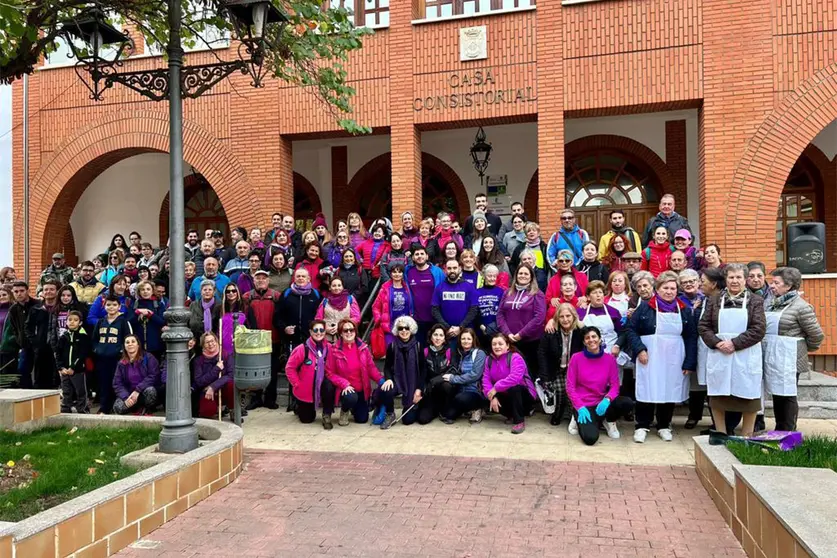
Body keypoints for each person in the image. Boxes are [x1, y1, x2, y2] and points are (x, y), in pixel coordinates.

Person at [627, 271, 698, 443]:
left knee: (669, 389)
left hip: (674, 357)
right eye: (665, 288)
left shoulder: (684, 310)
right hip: (650, 356)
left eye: (673, 288)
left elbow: (690, 336)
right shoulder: (645, 307)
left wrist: (689, 361)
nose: (669, 291)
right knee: (647, 388)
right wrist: (640, 350)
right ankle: (642, 425)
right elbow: (631, 330)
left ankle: (664, 425)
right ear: (657, 289)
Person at [699, 263, 766, 437]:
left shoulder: (755, 301)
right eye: (731, 277)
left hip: (745, 353)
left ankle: (746, 435)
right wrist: (717, 343)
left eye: (738, 277)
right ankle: (720, 433)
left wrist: (734, 343)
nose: (734, 281)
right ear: (726, 279)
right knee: (718, 396)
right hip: (719, 353)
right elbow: (704, 326)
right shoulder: (714, 300)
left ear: (745, 280)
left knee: (748, 395)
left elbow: (758, 329)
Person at [763, 267, 824, 431]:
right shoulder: (772, 303)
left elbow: (816, 335)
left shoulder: (801, 307)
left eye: (776, 282)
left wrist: (801, 350)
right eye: (772, 282)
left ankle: (789, 432)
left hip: (789, 357)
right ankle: (778, 429)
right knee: (777, 394)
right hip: (774, 355)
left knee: (787, 394)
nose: (772, 286)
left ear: (788, 286)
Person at [567, 326, 636, 444]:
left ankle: (609, 420)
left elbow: (615, 386)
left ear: (600, 339)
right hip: (584, 405)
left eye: (594, 336)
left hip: (601, 402)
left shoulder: (609, 359)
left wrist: (607, 399)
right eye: (587, 338)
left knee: (627, 402)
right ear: (584, 342)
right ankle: (577, 417)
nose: (591, 340)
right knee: (590, 439)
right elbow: (570, 387)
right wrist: (580, 406)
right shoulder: (576, 358)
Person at [325, 319, 395, 427]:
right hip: (346, 389)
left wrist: (382, 381)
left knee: (362, 419)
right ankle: (344, 410)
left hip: (361, 389)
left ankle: (356, 407)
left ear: (355, 331)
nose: (349, 332)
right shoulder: (334, 349)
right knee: (350, 398)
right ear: (340, 333)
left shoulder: (363, 348)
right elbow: (329, 373)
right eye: (345, 330)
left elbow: (371, 368)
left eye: (351, 330)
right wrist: (344, 384)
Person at [686, 267, 725, 430]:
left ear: (714, 284)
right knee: (707, 388)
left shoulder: (721, 301)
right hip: (705, 349)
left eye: (703, 282)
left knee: (716, 389)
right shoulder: (705, 300)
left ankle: (721, 425)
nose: (700, 284)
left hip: (718, 348)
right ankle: (717, 424)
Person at [538, 303, 584, 425]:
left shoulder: (581, 331)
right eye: (562, 316)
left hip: (574, 369)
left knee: (572, 391)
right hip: (557, 368)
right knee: (560, 390)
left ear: (574, 316)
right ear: (557, 318)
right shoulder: (551, 331)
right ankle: (558, 411)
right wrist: (545, 376)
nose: (565, 319)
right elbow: (542, 354)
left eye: (568, 316)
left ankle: (571, 413)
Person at [285, 320, 336, 428]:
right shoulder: (302, 349)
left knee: (329, 385)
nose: (319, 333)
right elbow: (290, 368)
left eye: (322, 330)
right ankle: (298, 406)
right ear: (310, 332)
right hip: (306, 390)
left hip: (323, 385)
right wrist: (297, 384)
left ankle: (327, 414)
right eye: (315, 330)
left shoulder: (330, 348)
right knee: (307, 419)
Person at [483, 333, 537, 434]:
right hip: (504, 393)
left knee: (514, 388)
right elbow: (486, 380)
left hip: (524, 396)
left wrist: (496, 388)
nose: (497, 346)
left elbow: (515, 378)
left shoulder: (515, 357)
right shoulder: (488, 360)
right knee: (485, 393)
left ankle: (519, 421)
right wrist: (492, 396)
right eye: (494, 344)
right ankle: (511, 415)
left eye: (500, 344)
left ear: (507, 345)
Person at [496, 264, 545, 373]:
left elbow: (539, 318)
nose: (523, 276)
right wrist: (507, 333)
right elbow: (500, 314)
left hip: (530, 342)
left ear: (531, 277)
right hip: (510, 340)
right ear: (516, 275)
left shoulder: (537, 294)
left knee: (528, 373)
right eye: (520, 273)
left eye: (526, 273)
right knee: (510, 372)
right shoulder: (508, 292)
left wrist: (520, 334)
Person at [92, 295, 134, 414]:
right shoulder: (101, 322)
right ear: (104, 306)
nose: (111, 307)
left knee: (117, 383)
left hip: (117, 359)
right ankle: (104, 407)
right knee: (103, 383)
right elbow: (94, 339)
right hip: (102, 359)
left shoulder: (123, 322)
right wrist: (97, 349)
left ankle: (119, 407)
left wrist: (122, 352)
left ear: (119, 307)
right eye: (108, 305)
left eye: (114, 305)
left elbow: (129, 339)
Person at [383, 316, 427, 426]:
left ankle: (416, 407)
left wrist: (419, 389)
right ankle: (390, 414)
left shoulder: (418, 346)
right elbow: (387, 366)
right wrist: (388, 379)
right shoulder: (392, 346)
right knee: (386, 389)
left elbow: (423, 369)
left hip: (413, 383)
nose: (404, 331)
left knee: (407, 421)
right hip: (397, 381)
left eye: (406, 328)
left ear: (411, 329)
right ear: (397, 331)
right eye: (400, 328)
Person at [577, 280, 629, 367]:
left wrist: (617, 345)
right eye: (594, 292)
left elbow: (623, 332)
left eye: (600, 292)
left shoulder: (613, 312)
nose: (598, 295)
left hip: (611, 354)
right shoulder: (581, 312)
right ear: (588, 297)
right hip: (588, 355)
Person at [442, 328, 487, 423]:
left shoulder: (479, 353)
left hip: (475, 392)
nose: (466, 341)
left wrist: (453, 379)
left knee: (460, 399)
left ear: (473, 340)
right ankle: (466, 409)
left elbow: (475, 375)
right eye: (463, 339)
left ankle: (477, 408)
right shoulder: (459, 353)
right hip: (461, 390)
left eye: (468, 339)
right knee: (448, 416)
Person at [431, 259, 479, 346]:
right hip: (447, 333)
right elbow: (435, 309)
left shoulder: (468, 286)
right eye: (449, 268)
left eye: (454, 268)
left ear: (459, 269)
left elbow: (474, 309)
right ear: (445, 270)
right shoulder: (439, 287)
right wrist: (447, 327)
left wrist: (461, 327)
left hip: (465, 333)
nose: (452, 271)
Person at [191, 332, 235, 419]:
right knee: (207, 412)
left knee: (231, 385)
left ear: (217, 341)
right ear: (203, 345)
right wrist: (216, 369)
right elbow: (199, 381)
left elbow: (231, 375)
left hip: (222, 389)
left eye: (212, 341)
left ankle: (232, 409)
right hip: (207, 392)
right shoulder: (198, 361)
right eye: (207, 342)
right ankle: (218, 408)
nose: (211, 344)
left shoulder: (225, 355)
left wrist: (213, 386)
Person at [112, 335, 160, 415]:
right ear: (124, 346)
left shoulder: (148, 357)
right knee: (117, 407)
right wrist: (126, 397)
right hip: (129, 395)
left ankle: (147, 410)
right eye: (127, 342)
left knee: (151, 391)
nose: (130, 344)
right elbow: (117, 383)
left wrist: (138, 390)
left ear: (138, 345)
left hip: (143, 392)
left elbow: (153, 375)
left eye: (133, 342)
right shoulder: (121, 363)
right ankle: (135, 409)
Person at [25, 279, 60, 388]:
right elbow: (28, 327)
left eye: (51, 289)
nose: (48, 292)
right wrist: (35, 342)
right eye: (46, 289)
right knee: (40, 376)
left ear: (57, 291)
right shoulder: (36, 309)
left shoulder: (61, 308)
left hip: (59, 346)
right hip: (41, 347)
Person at [406, 246, 444, 344]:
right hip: (417, 318)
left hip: (435, 318)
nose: (419, 256)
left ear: (427, 256)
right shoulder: (408, 271)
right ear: (413, 258)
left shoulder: (437, 272)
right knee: (419, 349)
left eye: (422, 254)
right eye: (417, 254)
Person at [276, 268, 321, 350]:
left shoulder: (316, 295)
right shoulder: (287, 294)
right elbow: (278, 315)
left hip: (311, 338)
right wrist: (284, 328)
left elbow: (321, 316)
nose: (301, 278)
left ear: (308, 279)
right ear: (294, 278)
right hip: (291, 339)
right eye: (298, 276)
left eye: (303, 276)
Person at [55, 310, 91, 413]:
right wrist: (61, 367)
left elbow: (82, 354)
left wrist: (73, 367)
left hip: (77, 370)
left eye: (75, 320)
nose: (72, 322)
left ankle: (82, 410)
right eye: (70, 320)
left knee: (80, 391)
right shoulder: (64, 337)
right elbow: (58, 353)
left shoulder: (83, 336)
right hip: (65, 371)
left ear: (80, 323)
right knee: (66, 391)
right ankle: (66, 408)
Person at [6, 281, 39, 388]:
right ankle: (28, 395)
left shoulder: (38, 305)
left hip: (40, 345)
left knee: (40, 372)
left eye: (21, 291)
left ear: (27, 291)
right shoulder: (13, 309)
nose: (19, 294)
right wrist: (19, 341)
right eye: (16, 291)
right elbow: (15, 328)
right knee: (22, 370)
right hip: (25, 345)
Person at [371, 264, 412, 346]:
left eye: (399, 272)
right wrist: (379, 319)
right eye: (394, 272)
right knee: (391, 352)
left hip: (405, 327)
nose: (397, 274)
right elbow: (375, 307)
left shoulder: (408, 288)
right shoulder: (384, 289)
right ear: (390, 274)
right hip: (389, 327)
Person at [317, 276, 361, 343]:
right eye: (334, 285)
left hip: (345, 337)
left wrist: (341, 326)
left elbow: (356, 318)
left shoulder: (350, 299)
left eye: (339, 285)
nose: (337, 288)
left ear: (342, 287)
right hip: (327, 339)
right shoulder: (325, 301)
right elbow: (318, 319)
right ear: (330, 288)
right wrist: (325, 328)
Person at [130, 280, 166, 361]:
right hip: (138, 345)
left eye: (148, 289)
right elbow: (129, 322)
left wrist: (150, 314)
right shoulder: (134, 304)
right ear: (139, 291)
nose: (145, 291)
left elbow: (162, 322)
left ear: (152, 291)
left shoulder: (158, 304)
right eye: (142, 289)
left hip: (155, 344)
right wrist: (137, 313)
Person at [475, 264, 505, 346]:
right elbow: (474, 312)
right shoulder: (477, 292)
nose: (492, 278)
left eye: (494, 276)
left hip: (496, 331)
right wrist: (481, 326)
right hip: (480, 331)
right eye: (489, 276)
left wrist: (493, 328)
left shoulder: (501, 292)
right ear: (484, 276)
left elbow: (503, 311)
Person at [219, 284, 247, 356]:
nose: (231, 293)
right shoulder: (220, 308)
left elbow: (251, 325)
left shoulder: (245, 307)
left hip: (241, 344)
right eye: (228, 291)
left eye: (234, 291)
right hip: (224, 346)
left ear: (237, 292)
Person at [189, 279, 219, 345]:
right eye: (205, 290)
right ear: (201, 292)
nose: (207, 292)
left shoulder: (219, 306)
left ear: (214, 292)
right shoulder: (193, 305)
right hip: (196, 342)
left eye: (210, 290)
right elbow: (188, 323)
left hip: (214, 343)